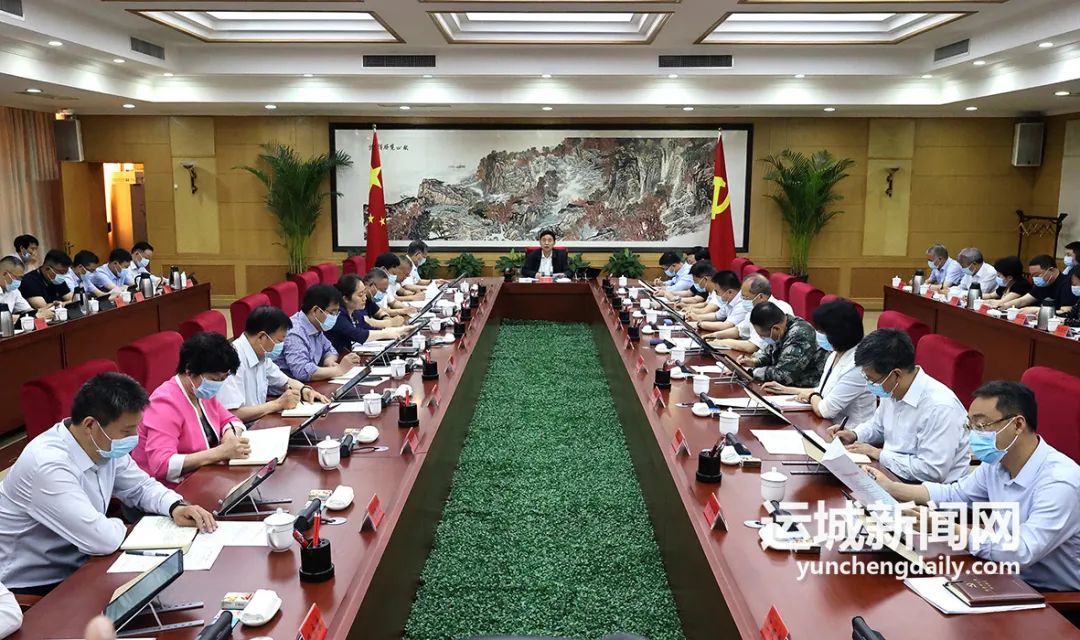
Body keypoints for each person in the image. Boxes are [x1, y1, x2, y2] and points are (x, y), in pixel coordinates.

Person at [0, 373, 216, 596]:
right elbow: (100, 539)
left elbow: (140, 486)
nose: (134, 437)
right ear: (90, 425)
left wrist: (175, 506)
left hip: (86, 563)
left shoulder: (102, 444)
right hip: (36, 585)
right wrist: (138, 528)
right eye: (127, 431)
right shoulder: (47, 465)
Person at [865, 381, 1080, 592]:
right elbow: (955, 494)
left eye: (981, 426)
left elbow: (1022, 551)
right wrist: (890, 488)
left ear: (1017, 425)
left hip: (1051, 597)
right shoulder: (997, 462)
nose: (974, 435)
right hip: (1002, 574)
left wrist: (945, 527)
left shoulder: (1060, 483)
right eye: (970, 426)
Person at [828, 329, 969, 483]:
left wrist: (879, 454)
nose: (869, 384)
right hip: (890, 474)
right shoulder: (892, 388)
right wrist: (854, 434)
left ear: (896, 375)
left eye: (872, 379)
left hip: (926, 489)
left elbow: (931, 471)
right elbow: (878, 426)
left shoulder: (940, 407)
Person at [132, 332, 249, 487]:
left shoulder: (201, 392)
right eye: (215, 379)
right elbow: (162, 464)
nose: (218, 385)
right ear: (189, 371)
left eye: (223, 379)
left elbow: (230, 420)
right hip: (168, 490)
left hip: (205, 478)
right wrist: (220, 452)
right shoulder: (164, 404)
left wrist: (230, 437)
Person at [761, 299, 876, 426]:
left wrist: (812, 396)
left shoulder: (857, 366)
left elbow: (825, 410)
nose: (817, 335)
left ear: (837, 333)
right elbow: (822, 391)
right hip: (827, 425)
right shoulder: (835, 354)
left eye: (821, 331)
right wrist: (785, 390)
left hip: (850, 431)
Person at [218, 306, 331, 423]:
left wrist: (305, 391)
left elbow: (285, 381)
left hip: (260, 422)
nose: (281, 346)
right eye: (279, 341)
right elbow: (231, 414)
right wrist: (277, 404)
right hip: (241, 429)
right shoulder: (231, 360)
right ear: (262, 337)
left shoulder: (261, 354)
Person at [274, 284, 362, 382]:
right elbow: (302, 371)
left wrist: (329, 361)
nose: (335, 317)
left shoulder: (315, 326)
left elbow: (330, 349)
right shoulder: (295, 332)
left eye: (337, 313)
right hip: (289, 388)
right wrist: (339, 370)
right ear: (315, 310)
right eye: (332, 312)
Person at [738, 302, 826, 387]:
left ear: (775, 329)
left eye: (764, 336)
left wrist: (751, 372)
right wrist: (754, 362)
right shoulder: (782, 327)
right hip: (792, 385)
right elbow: (770, 353)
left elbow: (784, 375)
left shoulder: (800, 334)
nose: (763, 338)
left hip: (810, 386)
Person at [706, 274, 793, 354]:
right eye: (742, 296)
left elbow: (752, 346)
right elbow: (740, 330)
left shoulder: (776, 310)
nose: (743, 300)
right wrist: (714, 335)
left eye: (746, 297)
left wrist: (722, 342)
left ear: (760, 297)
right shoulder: (755, 307)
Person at [326, 274, 411, 354]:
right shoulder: (337, 315)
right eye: (360, 295)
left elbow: (369, 328)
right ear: (346, 299)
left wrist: (401, 330)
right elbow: (358, 334)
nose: (365, 298)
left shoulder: (355, 312)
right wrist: (386, 334)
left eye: (364, 293)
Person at [1000, 255, 1077, 314]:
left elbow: (1065, 312)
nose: (1035, 279)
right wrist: (1005, 305)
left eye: (1037, 275)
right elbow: (1023, 301)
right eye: (1032, 276)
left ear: (1051, 270)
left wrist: (1037, 310)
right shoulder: (1041, 284)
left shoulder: (1067, 284)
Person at [0, 256, 53, 321]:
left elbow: (28, 311)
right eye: (18, 278)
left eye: (21, 278)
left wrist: (46, 309)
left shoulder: (14, 291)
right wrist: (34, 316)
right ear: (5, 274)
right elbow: (2, 317)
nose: (19, 281)